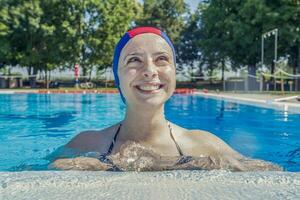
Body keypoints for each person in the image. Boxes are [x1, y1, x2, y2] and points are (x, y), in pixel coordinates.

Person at [50, 27, 281, 171]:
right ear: (117, 77)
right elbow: (35, 172)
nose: (150, 71)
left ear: (174, 72)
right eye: (133, 60)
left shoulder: (205, 144)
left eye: (162, 59)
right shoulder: (87, 143)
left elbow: (270, 170)